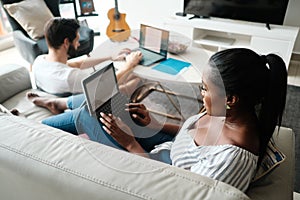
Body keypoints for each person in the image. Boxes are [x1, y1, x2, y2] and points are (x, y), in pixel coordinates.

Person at [98, 48, 287, 192]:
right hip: (167, 150)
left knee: (91, 117)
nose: (202, 93)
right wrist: (155, 124)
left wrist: (130, 144)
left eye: (205, 88)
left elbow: (173, 191)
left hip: (160, 173)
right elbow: (194, 131)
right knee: (103, 109)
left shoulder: (231, 158)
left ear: (230, 99)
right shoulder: (228, 113)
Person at [32, 17, 141, 96]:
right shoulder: (70, 76)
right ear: (66, 42)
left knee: (127, 75)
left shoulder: (39, 61)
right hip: (85, 103)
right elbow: (106, 83)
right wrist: (129, 64)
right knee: (135, 79)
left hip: (70, 92)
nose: (78, 44)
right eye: (76, 40)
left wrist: (110, 57)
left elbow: (75, 64)